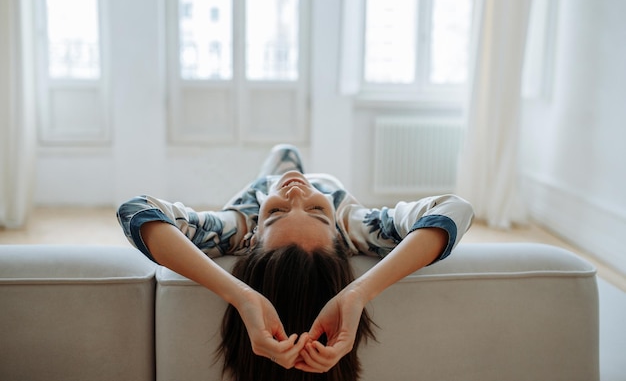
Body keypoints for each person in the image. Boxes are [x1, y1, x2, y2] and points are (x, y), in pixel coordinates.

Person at [117, 144, 474, 380]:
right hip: (325, 186)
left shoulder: (237, 227)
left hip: (257, 186)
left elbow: (135, 210)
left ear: (253, 237)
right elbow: (455, 209)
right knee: (289, 153)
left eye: (274, 214)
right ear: (340, 236)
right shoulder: (357, 226)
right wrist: (358, 292)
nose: (296, 192)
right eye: (319, 211)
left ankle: (277, 172)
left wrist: (242, 295)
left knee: (282, 153)